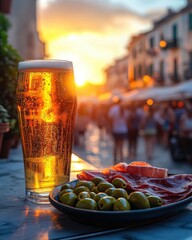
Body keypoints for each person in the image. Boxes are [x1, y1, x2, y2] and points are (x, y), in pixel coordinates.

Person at [108, 98, 128, 164]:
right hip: (123, 130)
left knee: (115, 146)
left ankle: (115, 160)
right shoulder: (125, 109)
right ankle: (122, 160)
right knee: (121, 146)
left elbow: (110, 118)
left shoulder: (113, 109)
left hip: (116, 129)